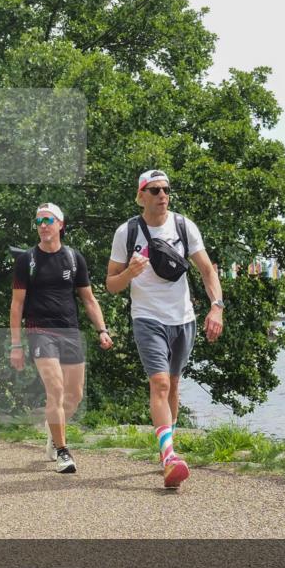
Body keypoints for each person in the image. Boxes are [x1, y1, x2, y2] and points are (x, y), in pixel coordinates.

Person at [105, 170, 224, 489]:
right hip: (147, 317)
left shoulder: (184, 226)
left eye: (166, 190)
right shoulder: (127, 232)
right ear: (141, 196)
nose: (162, 195)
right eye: (155, 190)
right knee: (158, 383)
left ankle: (166, 449)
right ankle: (170, 457)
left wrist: (216, 307)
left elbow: (207, 270)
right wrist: (129, 273)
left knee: (172, 384)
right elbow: (111, 284)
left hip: (183, 318)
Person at [10, 203, 113, 474]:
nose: (43, 225)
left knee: (74, 395)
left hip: (70, 331)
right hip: (39, 331)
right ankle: (63, 452)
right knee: (55, 389)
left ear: (60, 224)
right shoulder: (27, 260)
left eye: (48, 220)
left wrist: (102, 329)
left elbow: (88, 299)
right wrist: (16, 344)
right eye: (38, 221)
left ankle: (53, 434)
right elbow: (17, 305)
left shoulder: (73, 258)